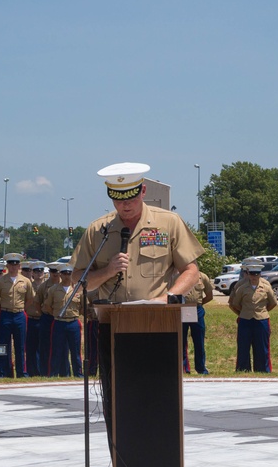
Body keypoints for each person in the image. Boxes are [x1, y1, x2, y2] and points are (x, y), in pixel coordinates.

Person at [72, 163, 205, 435]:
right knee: (119, 405)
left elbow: (191, 271)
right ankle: (122, 464)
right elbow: (77, 280)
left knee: (158, 401)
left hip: (159, 324)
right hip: (113, 327)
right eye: (118, 201)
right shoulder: (98, 231)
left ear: (143, 191)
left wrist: (169, 297)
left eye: (131, 199)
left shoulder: (168, 223)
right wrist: (108, 271)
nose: (126, 207)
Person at [0, 252, 34, 378]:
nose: (13, 267)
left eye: (16, 264)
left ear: (19, 266)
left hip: (20, 315)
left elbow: (30, 299)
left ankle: (21, 372)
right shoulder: (1, 281)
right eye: (11, 264)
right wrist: (1, 311)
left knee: (20, 345)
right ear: (7, 266)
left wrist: (22, 309)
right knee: (4, 345)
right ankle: (4, 372)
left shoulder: (26, 281)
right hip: (5, 314)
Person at [228, 261, 277, 372]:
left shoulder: (266, 286)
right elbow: (234, 303)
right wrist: (244, 312)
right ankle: (243, 369)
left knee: (262, 347)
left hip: (261, 319)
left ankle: (263, 369)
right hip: (245, 319)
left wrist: (262, 311)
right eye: (251, 274)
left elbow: (273, 303)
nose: (254, 276)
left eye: (256, 274)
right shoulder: (241, 286)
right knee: (243, 346)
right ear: (248, 274)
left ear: (260, 274)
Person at [48, 264, 83, 377]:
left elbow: (83, 306)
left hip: (73, 322)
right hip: (59, 322)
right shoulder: (53, 289)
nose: (67, 276)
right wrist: (55, 314)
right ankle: (53, 374)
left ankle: (78, 373)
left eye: (69, 273)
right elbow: (48, 306)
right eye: (64, 273)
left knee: (76, 351)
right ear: (60, 275)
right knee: (56, 350)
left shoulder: (78, 289)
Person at [182, 268, 214, 374]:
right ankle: (183, 368)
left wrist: (198, 304)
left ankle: (201, 368)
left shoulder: (202, 276)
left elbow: (209, 296)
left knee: (199, 340)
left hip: (197, 310)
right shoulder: (178, 275)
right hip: (182, 309)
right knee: (181, 340)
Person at [36, 264, 61, 375]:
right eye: (53, 271)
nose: (55, 273)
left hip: (61, 319)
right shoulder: (44, 286)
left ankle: (60, 371)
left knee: (60, 346)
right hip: (47, 318)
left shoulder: (65, 284)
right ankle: (44, 371)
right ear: (49, 272)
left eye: (57, 271)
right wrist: (43, 313)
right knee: (45, 345)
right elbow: (37, 302)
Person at [24, 261, 45, 376]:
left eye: (40, 271)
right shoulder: (28, 286)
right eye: (36, 271)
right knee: (31, 347)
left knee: (43, 347)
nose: (38, 273)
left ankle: (43, 371)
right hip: (31, 319)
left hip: (43, 319)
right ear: (32, 273)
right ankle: (31, 371)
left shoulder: (48, 286)